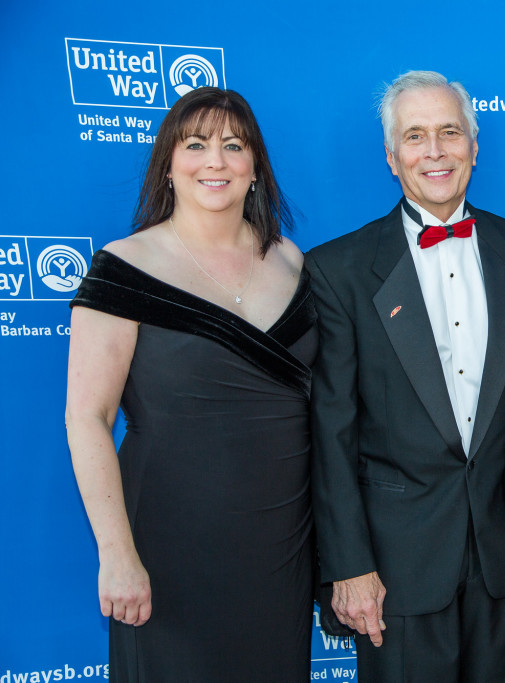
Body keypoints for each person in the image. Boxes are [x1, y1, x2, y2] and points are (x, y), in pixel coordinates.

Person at [305, 70, 505, 681]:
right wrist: (349, 564)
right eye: (416, 137)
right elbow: (331, 429)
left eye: (450, 132)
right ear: (392, 158)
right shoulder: (338, 268)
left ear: (475, 145)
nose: (435, 151)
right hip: (395, 568)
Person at [65, 87, 314, 682]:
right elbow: (87, 418)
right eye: (196, 145)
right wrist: (116, 554)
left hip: (280, 545)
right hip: (168, 542)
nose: (216, 161)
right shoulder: (123, 267)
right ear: (169, 165)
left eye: (234, 146)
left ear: (255, 167)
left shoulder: (291, 260)